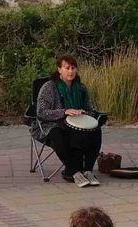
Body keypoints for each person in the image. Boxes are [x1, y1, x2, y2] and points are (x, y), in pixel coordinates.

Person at [35, 55, 103, 187]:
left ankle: (88, 170)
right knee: (58, 135)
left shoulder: (81, 88)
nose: (70, 71)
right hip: (53, 123)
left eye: (73, 68)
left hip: (76, 123)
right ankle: (74, 171)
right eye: (67, 68)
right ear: (59, 69)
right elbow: (41, 112)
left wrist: (83, 113)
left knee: (95, 131)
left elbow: (90, 110)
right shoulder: (49, 87)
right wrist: (64, 111)